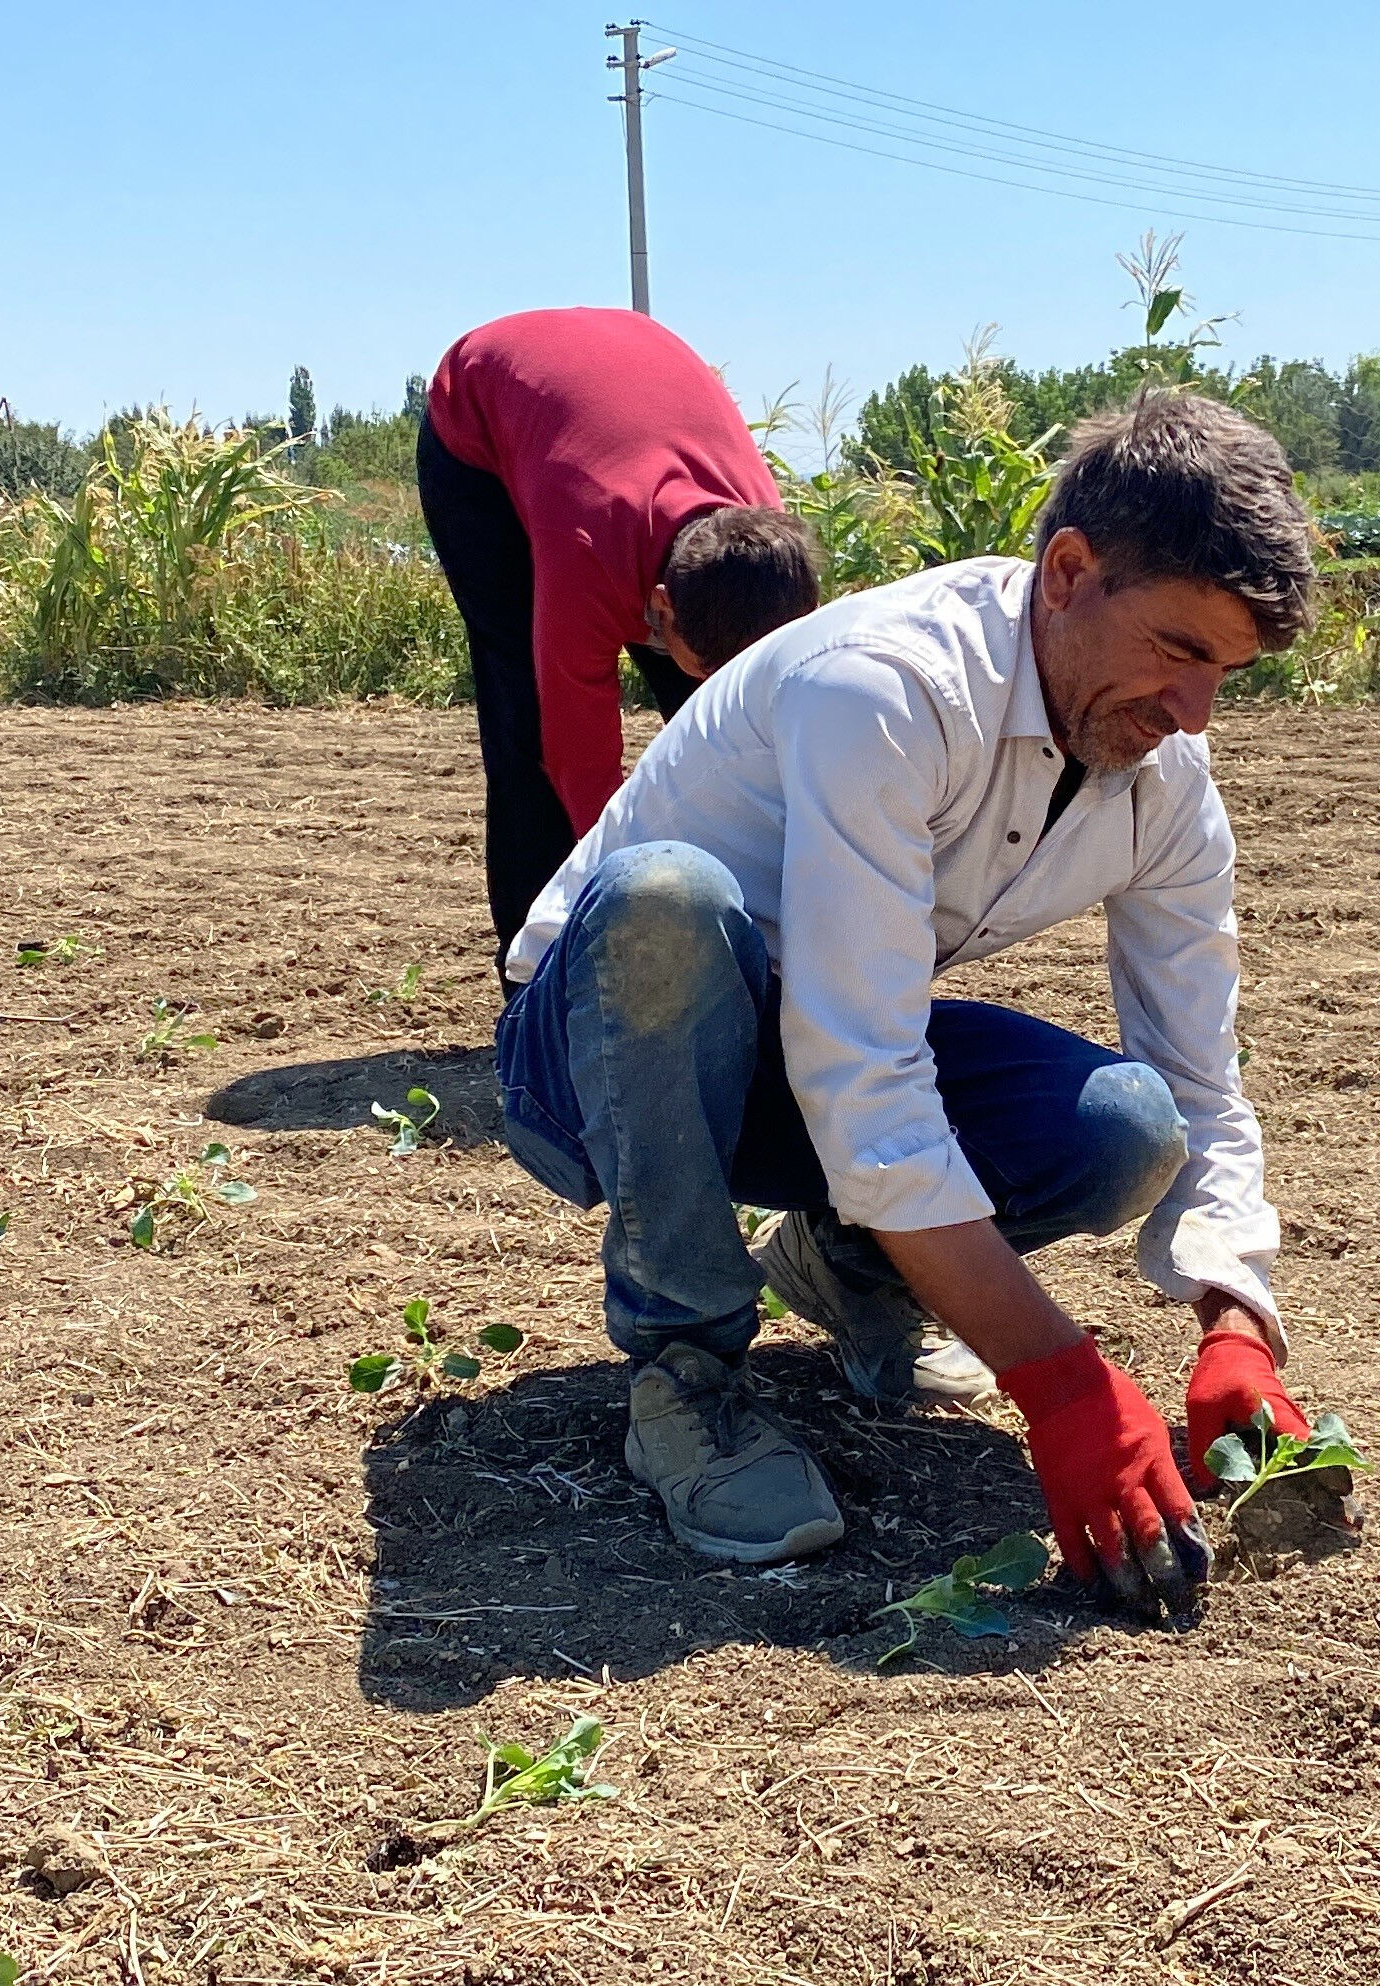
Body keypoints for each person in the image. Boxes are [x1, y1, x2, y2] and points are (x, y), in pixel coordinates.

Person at [488, 390, 1325, 1615]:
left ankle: (852, 1269)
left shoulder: (1162, 782)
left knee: (1129, 1124)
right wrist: (1057, 1375)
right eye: (1180, 650)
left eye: (1227, 674)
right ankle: (686, 1372)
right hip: (599, 1047)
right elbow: (864, 1075)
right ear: (1069, 573)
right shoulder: (883, 687)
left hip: (798, 1048)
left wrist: (1234, 1314)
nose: (1196, 711)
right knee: (669, 899)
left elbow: (1200, 1077)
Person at [415, 307, 824, 950]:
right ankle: (537, 980)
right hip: (480, 422)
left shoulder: (769, 547)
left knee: (735, 726)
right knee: (527, 723)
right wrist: (626, 906)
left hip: (623, 388)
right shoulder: (586, 561)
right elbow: (581, 768)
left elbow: (777, 749)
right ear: (658, 609)